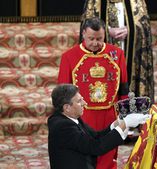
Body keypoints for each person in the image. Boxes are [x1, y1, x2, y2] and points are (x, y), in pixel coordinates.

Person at [57, 17, 128, 169]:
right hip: (82, 115)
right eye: (91, 39)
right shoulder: (69, 56)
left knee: (108, 157)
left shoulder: (117, 54)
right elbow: (63, 92)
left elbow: (123, 87)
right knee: (82, 158)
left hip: (110, 114)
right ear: (83, 34)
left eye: (99, 39)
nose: (95, 43)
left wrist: (125, 114)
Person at [48, 84, 150, 169]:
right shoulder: (63, 127)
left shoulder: (70, 118)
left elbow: (95, 136)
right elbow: (96, 147)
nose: (84, 103)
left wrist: (118, 123)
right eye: (79, 101)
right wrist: (125, 124)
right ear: (67, 107)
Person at [80, 0, 154, 101]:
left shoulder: (136, 1)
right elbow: (87, 25)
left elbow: (144, 25)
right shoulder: (94, 2)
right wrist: (106, 31)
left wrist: (131, 29)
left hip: (129, 50)